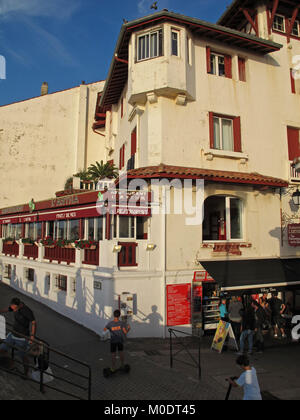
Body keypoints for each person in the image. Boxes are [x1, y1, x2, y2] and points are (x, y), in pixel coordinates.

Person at [0, 297, 36, 377]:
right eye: (13, 307)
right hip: (13, 334)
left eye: (15, 308)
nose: (14, 309)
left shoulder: (27, 311)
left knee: (22, 355)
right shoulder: (14, 307)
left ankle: (26, 373)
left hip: (22, 337)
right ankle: (10, 363)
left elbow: (33, 322)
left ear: (19, 305)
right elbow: (8, 309)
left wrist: (32, 336)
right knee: (2, 348)